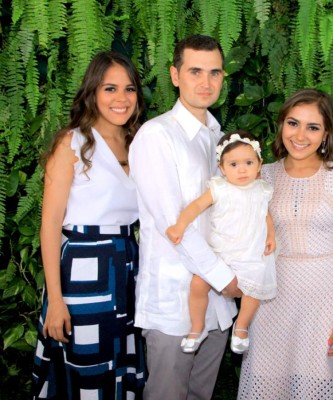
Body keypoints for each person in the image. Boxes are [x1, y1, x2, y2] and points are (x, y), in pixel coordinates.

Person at [128, 35, 239, 400]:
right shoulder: (157, 136)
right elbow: (173, 224)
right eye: (195, 72)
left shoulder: (220, 138)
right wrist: (227, 280)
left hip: (218, 309)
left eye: (214, 73)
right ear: (175, 75)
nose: (206, 82)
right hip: (175, 304)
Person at [238, 89, 333, 399]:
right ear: (281, 126)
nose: (300, 135)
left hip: (326, 302)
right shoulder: (259, 176)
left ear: (325, 134)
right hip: (270, 302)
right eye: (293, 123)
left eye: (313, 127)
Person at [32, 51, 146, 399]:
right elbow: (50, 224)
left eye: (129, 89)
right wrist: (55, 299)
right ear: (93, 91)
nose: (121, 98)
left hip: (127, 268)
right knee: (86, 368)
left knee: (120, 368)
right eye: (110, 88)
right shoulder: (72, 143)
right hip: (82, 273)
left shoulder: (139, 143)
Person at [165, 130, 277, 354]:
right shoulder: (219, 188)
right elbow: (196, 206)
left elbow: (265, 215)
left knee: (253, 289)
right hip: (221, 253)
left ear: (259, 164)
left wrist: (271, 235)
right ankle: (197, 327)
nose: (242, 169)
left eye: (248, 162)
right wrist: (180, 225)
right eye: (233, 164)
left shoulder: (261, 189)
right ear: (222, 168)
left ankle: (242, 326)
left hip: (249, 254)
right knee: (198, 283)